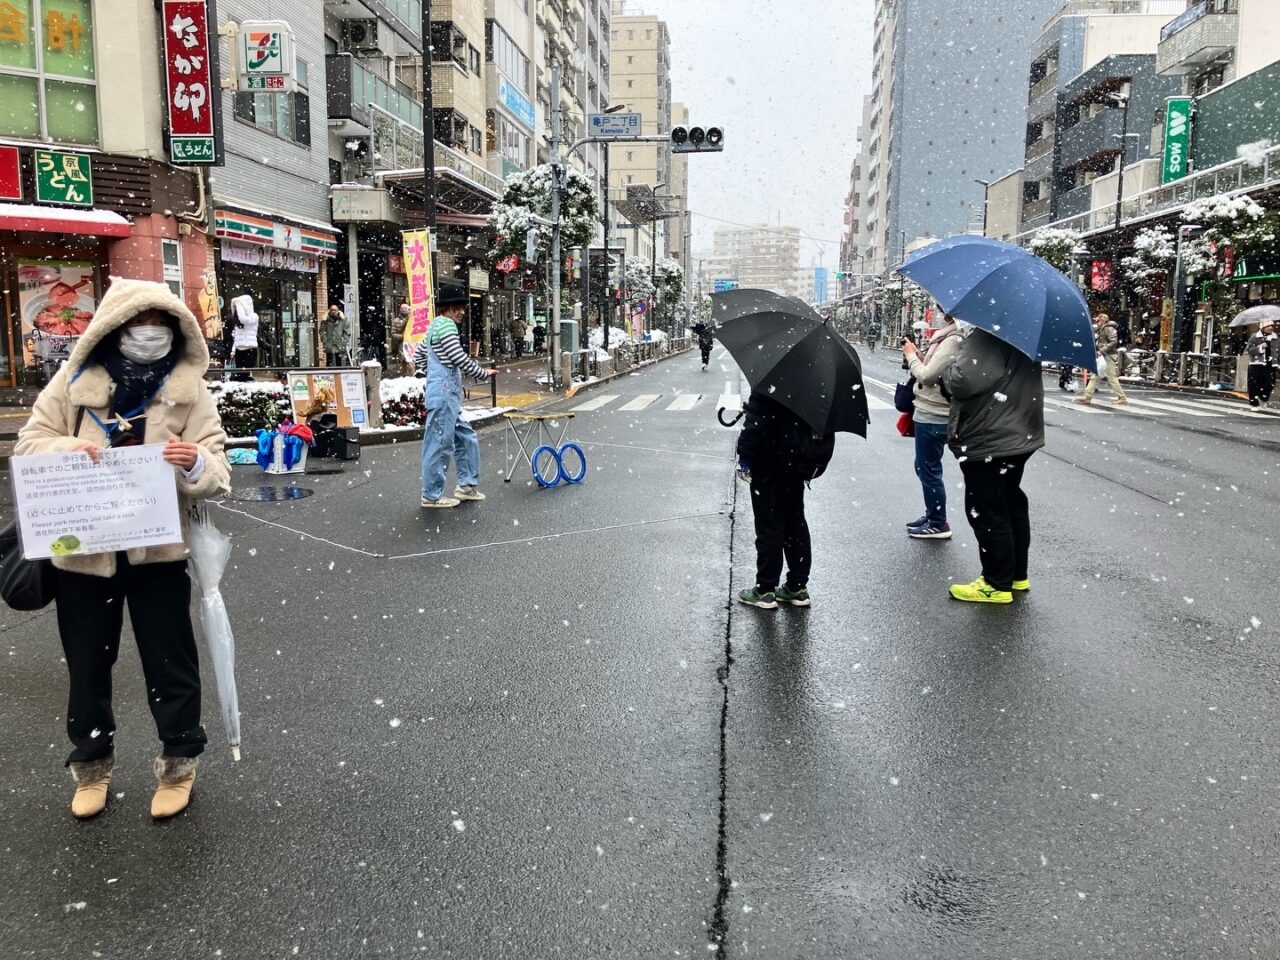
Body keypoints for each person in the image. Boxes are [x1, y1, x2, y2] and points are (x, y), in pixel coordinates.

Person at [15, 278, 231, 819]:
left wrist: (195, 463)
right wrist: (70, 449)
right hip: (83, 553)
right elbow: (30, 444)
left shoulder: (188, 388)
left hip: (158, 552)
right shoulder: (75, 381)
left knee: (170, 661)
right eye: (138, 327)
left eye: (160, 328)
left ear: (177, 332)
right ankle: (91, 766)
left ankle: (179, 762)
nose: (149, 336)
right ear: (113, 329)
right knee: (87, 663)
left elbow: (216, 462)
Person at [941, 327, 1045, 604]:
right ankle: (1015, 575)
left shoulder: (988, 335)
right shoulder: (1023, 335)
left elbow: (963, 381)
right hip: (1018, 431)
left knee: (987, 509)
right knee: (1010, 502)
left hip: (990, 435)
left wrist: (946, 372)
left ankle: (995, 583)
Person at [735, 392, 834, 610]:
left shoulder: (773, 380)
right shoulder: (813, 382)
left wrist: (745, 456)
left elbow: (756, 421)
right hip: (797, 460)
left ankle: (765, 590)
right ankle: (797, 586)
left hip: (769, 461)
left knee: (769, 525)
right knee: (795, 522)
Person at [415, 281, 497, 508]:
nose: (462, 312)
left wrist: (432, 373)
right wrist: (482, 373)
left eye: (463, 307)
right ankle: (431, 496)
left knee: (465, 436)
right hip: (444, 394)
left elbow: (419, 356)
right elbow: (458, 357)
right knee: (440, 444)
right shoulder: (447, 326)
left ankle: (466, 486)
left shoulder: (434, 326)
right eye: (458, 307)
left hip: (442, 393)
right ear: (448, 308)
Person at [902, 314, 961, 540]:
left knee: (928, 469)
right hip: (930, 412)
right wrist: (920, 356)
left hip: (934, 414)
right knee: (924, 466)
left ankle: (938, 522)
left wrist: (911, 357)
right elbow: (937, 370)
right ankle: (933, 515)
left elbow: (927, 376)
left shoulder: (953, 339)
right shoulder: (947, 336)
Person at [1076, 312, 1127, 406]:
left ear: (1102, 320)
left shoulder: (1109, 328)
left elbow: (1113, 342)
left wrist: (1101, 351)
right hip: (1105, 355)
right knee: (1096, 375)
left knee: (1111, 377)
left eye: (1098, 320)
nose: (1097, 322)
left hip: (1108, 356)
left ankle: (1122, 398)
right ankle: (1087, 396)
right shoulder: (1103, 328)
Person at [1245, 320, 1277, 407]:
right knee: (1254, 384)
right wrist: (1261, 347)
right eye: (1268, 326)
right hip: (1256, 363)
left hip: (1271, 364)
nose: (1271, 328)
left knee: (1270, 384)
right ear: (1262, 327)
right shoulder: (1255, 337)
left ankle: (1263, 398)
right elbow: (1250, 350)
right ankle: (1254, 403)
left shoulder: (1275, 338)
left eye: (1272, 326)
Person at [229, 293, 259, 380]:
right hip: (239, 350)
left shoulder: (254, 317)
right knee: (240, 375)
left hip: (250, 349)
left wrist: (238, 304)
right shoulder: (237, 322)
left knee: (244, 375)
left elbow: (244, 319)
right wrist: (233, 350)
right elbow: (236, 337)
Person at [321, 302, 350, 367]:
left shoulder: (343, 320)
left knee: (339, 361)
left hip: (339, 343)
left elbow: (347, 332)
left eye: (335, 310)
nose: (333, 311)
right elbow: (322, 331)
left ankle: (338, 372)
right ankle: (329, 372)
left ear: (338, 311)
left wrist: (344, 341)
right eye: (332, 310)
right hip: (329, 343)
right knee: (329, 361)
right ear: (329, 311)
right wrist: (324, 340)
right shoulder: (325, 320)